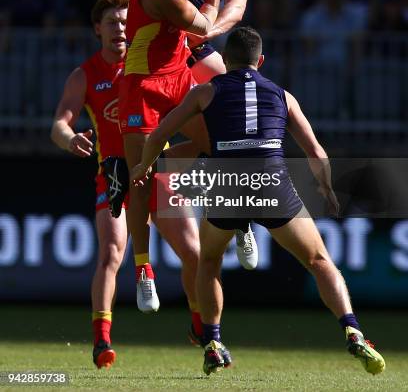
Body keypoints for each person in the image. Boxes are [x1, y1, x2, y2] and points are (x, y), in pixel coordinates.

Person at [131, 26, 386, 377]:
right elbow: (315, 151)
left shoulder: (205, 92)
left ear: (226, 61)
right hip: (272, 183)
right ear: (260, 61)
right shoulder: (283, 95)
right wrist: (326, 188)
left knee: (208, 261)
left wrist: (144, 167)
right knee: (320, 260)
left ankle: (213, 342)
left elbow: (159, 133)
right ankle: (353, 329)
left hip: (228, 185)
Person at [51, 0, 215, 370]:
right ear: (97, 29)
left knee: (193, 252)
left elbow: (190, 106)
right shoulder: (86, 74)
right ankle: (101, 340)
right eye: (112, 22)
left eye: (126, 22)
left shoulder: (153, 68)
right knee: (111, 254)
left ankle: (199, 326)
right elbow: (59, 123)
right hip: (113, 172)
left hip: (157, 170)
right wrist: (68, 138)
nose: (120, 28)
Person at [118, 0, 224, 313]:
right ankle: (144, 269)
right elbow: (206, 27)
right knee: (140, 179)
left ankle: (239, 220)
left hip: (178, 79)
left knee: (215, 143)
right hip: (142, 86)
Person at [164, 0, 260, 268]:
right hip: (158, 48)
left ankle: (237, 218)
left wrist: (203, 31)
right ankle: (153, 164)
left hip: (194, 48)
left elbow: (235, 11)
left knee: (232, 120)